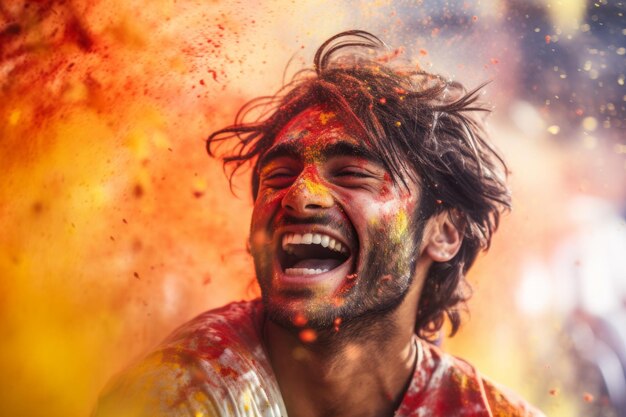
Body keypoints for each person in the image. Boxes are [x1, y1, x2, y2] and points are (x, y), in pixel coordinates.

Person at [93, 30, 544, 417]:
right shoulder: (180, 395)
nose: (299, 195)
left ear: (444, 233)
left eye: (352, 174)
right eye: (279, 176)